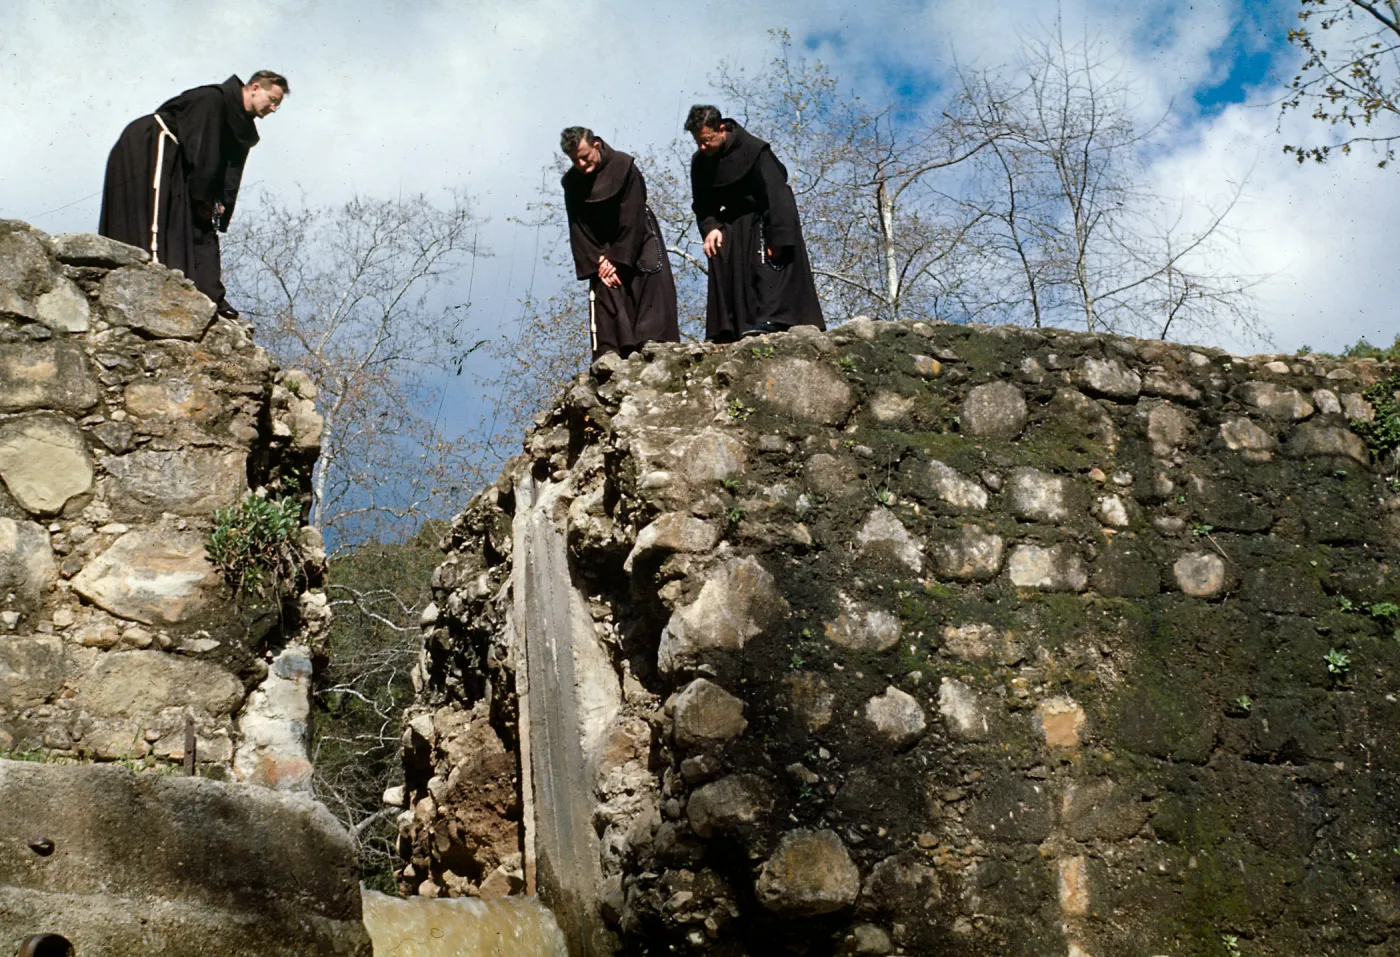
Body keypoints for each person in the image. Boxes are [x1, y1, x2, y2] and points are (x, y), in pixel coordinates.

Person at [99, 71, 288, 318]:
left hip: (187, 161)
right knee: (157, 215)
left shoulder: (241, 125)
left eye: (278, 104)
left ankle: (210, 293)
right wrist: (206, 199)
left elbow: (226, 169)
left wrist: (218, 203)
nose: (273, 108)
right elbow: (201, 149)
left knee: (202, 221)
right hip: (152, 145)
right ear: (254, 88)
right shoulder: (212, 99)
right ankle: (150, 272)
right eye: (272, 99)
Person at [685, 104, 824, 341]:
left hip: (766, 215)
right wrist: (711, 229)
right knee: (719, 248)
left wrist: (778, 235)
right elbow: (703, 204)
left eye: (707, 140)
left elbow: (776, 194)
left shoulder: (754, 150)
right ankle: (728, 327)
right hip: (733, 221)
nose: (702, 146)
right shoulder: (700, 162)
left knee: (768, 261)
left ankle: (775, 318)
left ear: (721, 129)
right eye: (698, 141)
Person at [560, 126, 679, 360]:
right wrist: (599, 261)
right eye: (576, 161)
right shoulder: (571, 183)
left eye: (585, 157)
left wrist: (616, 257)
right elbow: (578, 227)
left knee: (649, 280)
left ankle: (653, 345)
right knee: (606, 288)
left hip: (637, 236)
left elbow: (633, 213)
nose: (582, 165)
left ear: (596, 145)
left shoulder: (625, 167)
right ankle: (614, 351)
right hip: (599, 248)